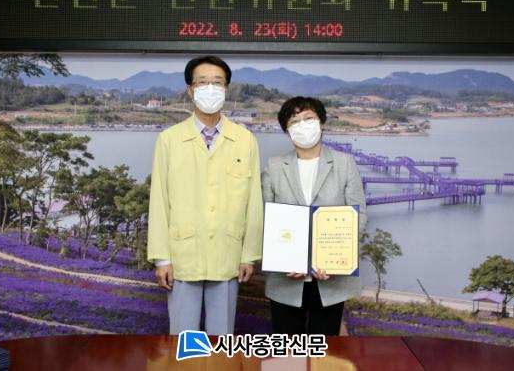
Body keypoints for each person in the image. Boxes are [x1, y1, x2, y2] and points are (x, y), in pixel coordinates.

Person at [147, 55, 263, 335]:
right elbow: (159, 202)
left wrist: (249, 255)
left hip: (228, 255)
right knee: (183, 340)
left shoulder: (245, 140)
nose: (210, 88)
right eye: (203, 82)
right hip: (182, 256)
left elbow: (253, 202)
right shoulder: (169, 139)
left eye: (217, 82)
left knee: (221, 339)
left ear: (226, 89)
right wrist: (162, 258)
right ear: (190, 89)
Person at [261, 96, 367, 335]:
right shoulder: (275, 166)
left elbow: (358, 215)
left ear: (322, 123)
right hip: (285, 280)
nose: (302, 125)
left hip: (331, 279)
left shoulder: (344, 163)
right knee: (287, 351)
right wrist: (284, 260)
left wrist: (335, 259)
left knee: (325, 350)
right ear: (287, 130)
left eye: (308, 118)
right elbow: (266, 218)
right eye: (294, 121)